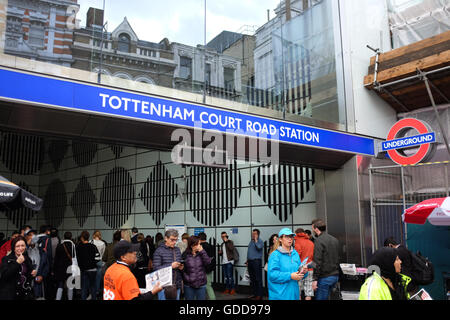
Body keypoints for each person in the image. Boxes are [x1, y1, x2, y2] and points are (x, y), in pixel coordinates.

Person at [267, 228, 305, 300]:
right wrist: (290, 276)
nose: (290, 239)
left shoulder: (295, 253)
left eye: (291, 236)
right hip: (280, 295)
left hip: (294, 294)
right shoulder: (275, 255)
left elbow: (298, 272)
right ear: (280, 239)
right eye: (286, 237)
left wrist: (303, 271)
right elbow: (272, 275)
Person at [311, 219, 340, 300]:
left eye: (312, 228)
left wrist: (315, 279)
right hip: (335, 276)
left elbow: (317, 261)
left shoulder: (318, 241)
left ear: (316, 229)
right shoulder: (335, 240)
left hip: (324, 278)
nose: (312, 230)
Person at [0, 236, 35, 300]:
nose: (20, 248)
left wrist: (32, 274)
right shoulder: (6, 259)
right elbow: (4, 276)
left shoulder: (27, 259)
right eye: (17, 246)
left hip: (24, 294)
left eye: (22, 245)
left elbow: (26, 277)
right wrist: (17, 263)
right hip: (10, 294)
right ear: (13, 248)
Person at [152, 229, 184, 300]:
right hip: (164, 286)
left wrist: (181, 268)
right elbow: (155, 268)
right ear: (165, 238)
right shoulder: (159, 251)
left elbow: (180, 265)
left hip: (176, 285)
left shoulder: (177, 250)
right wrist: (171, 266)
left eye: (176, 240)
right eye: (172, 240)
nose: (174, 242)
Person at [181, 235, 211, 300]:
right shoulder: (185, 254)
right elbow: (182, 268)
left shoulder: (202, 253)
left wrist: (202, 251)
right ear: (192, 245)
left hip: (201, 283)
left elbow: (208, 262)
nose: (200, 245)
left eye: (200, 244)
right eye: (198, 244)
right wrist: (187, 278)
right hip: (189, 284)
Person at [76, 230, 100, 300]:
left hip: (84, 269)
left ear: (82, 238)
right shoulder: (93, 246)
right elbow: (98, 258)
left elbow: (78, 259)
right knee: (93, 287)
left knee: (84, 287)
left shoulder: (79, 247)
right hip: (93, 269)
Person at [54, 231, 76, 300]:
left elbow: (56, 259)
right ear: (71, 237)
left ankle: (58, 298)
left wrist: (54, 269)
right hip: (70, 268)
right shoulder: (73, 246)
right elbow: (74, 257)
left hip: (60, 268)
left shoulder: (59, 245)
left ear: (64, 237)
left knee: (60, 285)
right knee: (70, 285)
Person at [294, 228, 315, 300]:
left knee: (298, 291)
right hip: (310, 268)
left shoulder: (297, 242)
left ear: (296, 233)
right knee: (308, 292)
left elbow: (297, 255)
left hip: (300, 270)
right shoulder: (311, 243)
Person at [246, 229, 263, 300]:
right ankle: (254, 293)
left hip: (256, 262)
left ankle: (259, 295)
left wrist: (256, 240)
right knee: (252, 279)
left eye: (255, 234)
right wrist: (247, 260)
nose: (253, 235)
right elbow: (249, 251)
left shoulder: (260, 241)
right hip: (250, 262)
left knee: (258, 279)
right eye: (252, 233)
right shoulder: (251, 241)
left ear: (258, 234)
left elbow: (259, 247)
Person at [198, 232, 216, 300]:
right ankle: (212, 298)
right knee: (208, 285)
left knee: (199, 286)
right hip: (209, 268)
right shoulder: (210, 246)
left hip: (201, 269)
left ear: (199, 239)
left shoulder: (200, 247)